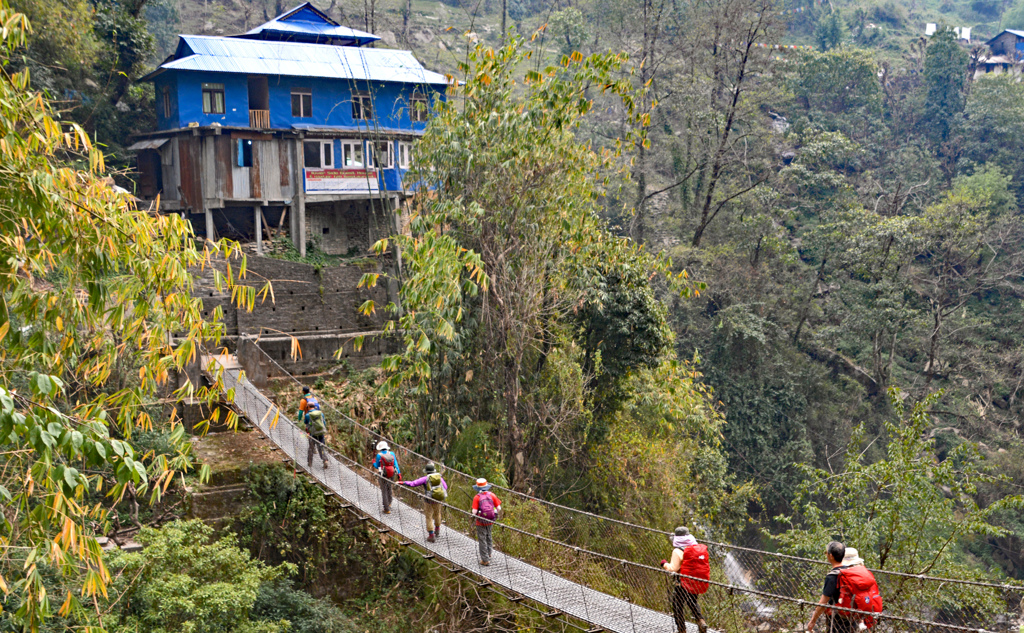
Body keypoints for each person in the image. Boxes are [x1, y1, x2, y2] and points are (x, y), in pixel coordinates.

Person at [661, 527, 709, 633]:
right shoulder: (695, 548)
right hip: (695, 581)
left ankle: (682, 630)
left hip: (682, 583)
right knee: (692, 601)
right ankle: (701, 621)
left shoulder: (677, 551)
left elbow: (673, 568)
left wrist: (664, 564)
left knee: (677, 605)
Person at [807, 541, 859, 633]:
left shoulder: (832, 577)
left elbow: (822, 603)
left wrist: (813, 621)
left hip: (837, 621)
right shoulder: (850, 572)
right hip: (852, 619)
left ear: (831, 556)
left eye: (826, 553)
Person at [400, 462, 448, 542]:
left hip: (428, 500)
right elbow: (445, 487)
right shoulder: (440, 478)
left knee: (429, 516)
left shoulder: (425, 479)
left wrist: (404, 483)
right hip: (438, 500)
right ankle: (437, 529)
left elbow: (413, 484)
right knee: (437, 514)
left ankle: (431, 535)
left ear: (427, 472)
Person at [471, 478, 501, 566]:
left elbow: (474, 512)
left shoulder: (477, 497)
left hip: (480, 521)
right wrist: (492, 514)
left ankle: (485, 560)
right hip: (490, 520)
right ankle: (489, 553)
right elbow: (499, 508)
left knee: (482, 538)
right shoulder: (492, 495)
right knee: (489, 536)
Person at [371, 441, 400, 514]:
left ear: (380, 448)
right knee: (389, 487)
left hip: (383, 474)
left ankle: (386, 509)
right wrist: (399, 474)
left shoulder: (379, 455)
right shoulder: (392, 453)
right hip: (392, 473)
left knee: (384, 490)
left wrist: (373, 462)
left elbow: (377, 466)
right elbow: (396, 464)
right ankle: (389, 503)